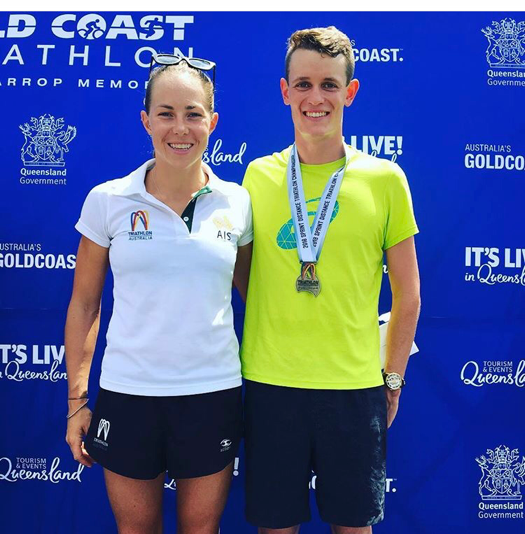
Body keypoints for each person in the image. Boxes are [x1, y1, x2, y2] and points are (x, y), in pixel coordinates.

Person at [241, 27, 420, 534]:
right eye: (303, 84)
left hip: (354, 389)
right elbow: (243, 273)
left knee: (353, 527)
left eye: (328, 85)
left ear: (350, 91)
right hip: (272, 385)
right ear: (285, 91)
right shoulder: (257, 176)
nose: (315, 98)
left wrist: (392, 379)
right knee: (275, 527)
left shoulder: (385, 179)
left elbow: (408, 295)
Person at [65, 53, 253, 534]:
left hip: (212, 393)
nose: (180, 128)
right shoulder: (108, 199)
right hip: (129, 394)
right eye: (166, 113)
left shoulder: (238, 202)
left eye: (193, 114)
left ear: (212, 123)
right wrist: (77, 402)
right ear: (146, 120)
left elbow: (259, 298)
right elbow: (85, 304)